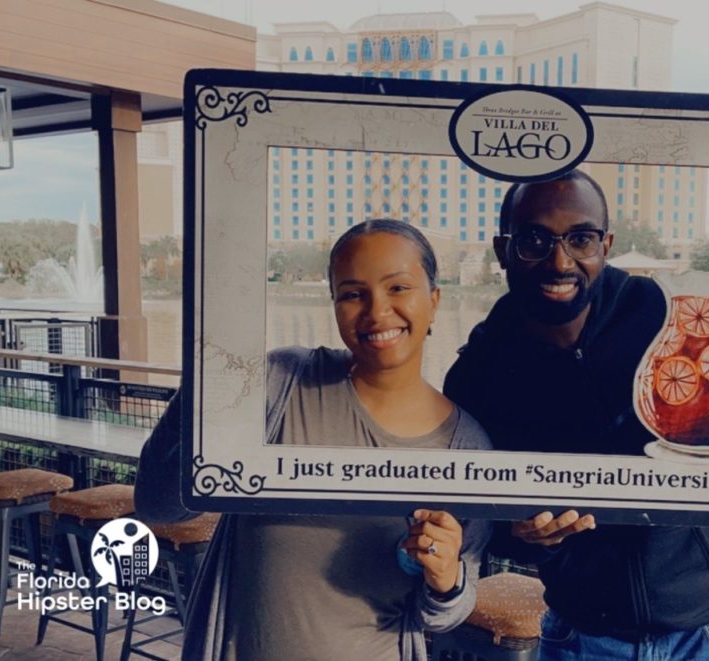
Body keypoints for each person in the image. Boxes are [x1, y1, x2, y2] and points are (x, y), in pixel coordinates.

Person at [443, 170, 709, 661]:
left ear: (606, 244)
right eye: (534, 238)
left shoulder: (669, 313)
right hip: (580, 635)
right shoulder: (478, 375)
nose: (560, 260)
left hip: (706, 631)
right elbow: (497, 523)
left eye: (581, 238)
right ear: (502, 249)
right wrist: (528, 536)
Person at [136, 219, 493, 661]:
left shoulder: (467, 447)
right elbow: (157, 504)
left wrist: (446, 581)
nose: (377, 311)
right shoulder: (280, 381)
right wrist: (206, 381)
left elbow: (444, 613)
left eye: (398, 288)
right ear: (334, 305)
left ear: (434, 301)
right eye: (353, 293)